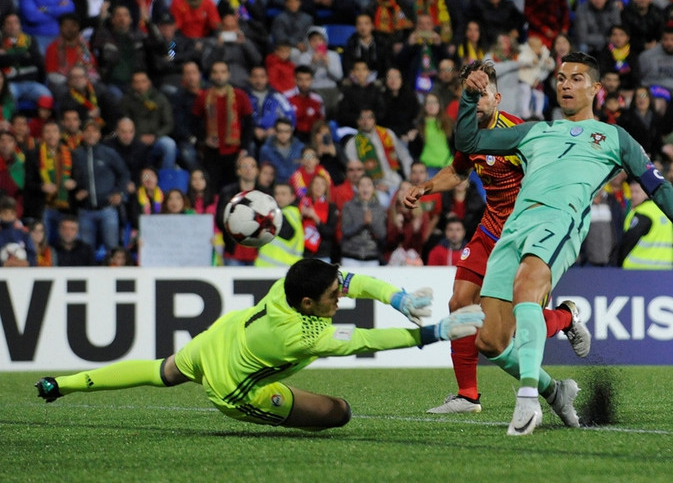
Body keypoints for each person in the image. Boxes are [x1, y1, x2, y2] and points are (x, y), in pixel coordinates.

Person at [455, 52, 673, 435]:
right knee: (490, 340)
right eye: (561, 78)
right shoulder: (535, 131)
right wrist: (468, 97)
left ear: (595, 88)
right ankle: (555, 391)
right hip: (515, 226)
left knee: (528, 286)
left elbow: (657, 186)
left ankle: (527, 400)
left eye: (576, 78)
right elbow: (469, 141)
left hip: (560, 221)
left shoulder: (614, 137)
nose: (565, 85)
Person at [35, 258, 486, 432]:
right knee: (339, 413)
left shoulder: (286, 285)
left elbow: (353, 281)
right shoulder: (303, 335)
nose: (340, 300)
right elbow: (369, 340)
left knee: (161, 371)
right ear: (308, 304)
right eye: (333, 298)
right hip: (233, 386)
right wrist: (434, 332)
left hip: (216, 338)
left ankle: (63, 384)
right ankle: (67, 384)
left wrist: (397, 297)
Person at [406, 60, 586, 415]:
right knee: (459, 303)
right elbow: (458, 171)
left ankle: (566, 317)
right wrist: (425, 187)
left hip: (522, 238)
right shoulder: (469, 133)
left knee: (509, 328)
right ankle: (468, 395)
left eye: (482, 93)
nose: (477, 100)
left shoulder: (517, 134)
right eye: (470, 94)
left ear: (497, 98)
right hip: (489, 230)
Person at [192, 61, 254, 191]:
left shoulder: (240, 96)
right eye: (215, 72)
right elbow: (194, 123)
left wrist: (244, 149)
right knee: (212, 189)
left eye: (223, 72)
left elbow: (249, 124)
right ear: (211, 75)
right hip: (211, 152)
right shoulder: (203, 97)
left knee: (234, 190)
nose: (219, 75)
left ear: (228, 74)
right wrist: (203, 140)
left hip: (235, 152)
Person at [71, 120, 131, 254]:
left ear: (99, 134)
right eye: (87, 131)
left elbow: (124, 174)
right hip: (85, 211)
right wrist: (76, 192)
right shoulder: (76, 154)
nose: (91, 134)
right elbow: (71, 178)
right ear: (82, 134)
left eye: (94, 131)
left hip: (107, 209)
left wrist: (119, 193)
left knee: (113, 250)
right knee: (86, 251)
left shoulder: (109, 153)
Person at [118, 71, 177, 169]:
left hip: (157, 137)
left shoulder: (160, 98)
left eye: (143, 81)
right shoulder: (126, 100)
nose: (140, 85)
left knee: (169, 145)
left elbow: (169, 123)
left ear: (149, 82)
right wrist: (137, 136)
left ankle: (167, 176)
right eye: (137, 82)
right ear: (132, 84)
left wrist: (155, 136)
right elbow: (124, 122)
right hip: (135, 138)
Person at [619, 181, 673, 269]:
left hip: (640, 269)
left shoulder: (643, 212)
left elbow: (629, 241)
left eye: (637, 192)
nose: (633, 196)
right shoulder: (663, 210)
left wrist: (617, 262)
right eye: (631, 192)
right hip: (665, 268)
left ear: (647, 192)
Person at [254, 182, 304, 268]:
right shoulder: (280, 213)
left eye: (283, 194)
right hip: (269, 268)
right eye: (276, 194)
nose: (279, 197)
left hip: (282, 269)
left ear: (292, 197)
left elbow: (287, 232)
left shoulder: (290, 213)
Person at [340, 174, 386, 267]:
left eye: (368, 185)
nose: (365, 188)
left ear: (373, 188)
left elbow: (382, 234)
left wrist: (371, 223)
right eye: (362, 185)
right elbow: (346, 230)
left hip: (372, 257)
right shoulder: (349, 206)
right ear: (357, 188)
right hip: (350, 256)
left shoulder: (380, 209)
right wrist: (362, 223)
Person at [298, 173, 337, 262]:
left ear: (326, 188)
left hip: (322, 254)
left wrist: (315, 217)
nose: (318, 187)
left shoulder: (331, 207)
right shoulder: (302, 204)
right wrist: (300, 216)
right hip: (303, 253)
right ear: (311, 186)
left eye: (322, 184)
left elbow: (329, 233)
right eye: (316, 183)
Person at [0, 196, 36, 267]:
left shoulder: (23, 233)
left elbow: (32, 255)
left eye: (12, 213)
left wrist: (27, 263)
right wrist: (2, 264)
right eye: (5, 213)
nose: (8, 216)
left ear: (15, 214)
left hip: (22, 270)